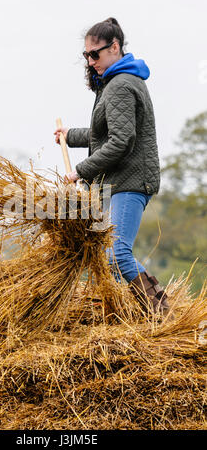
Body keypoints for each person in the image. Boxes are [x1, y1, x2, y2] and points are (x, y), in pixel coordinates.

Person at [54, 17, 168, 314]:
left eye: (95, 54)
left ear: (114, 47)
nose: (90, 62)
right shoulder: (115, 83)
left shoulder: (120, 85)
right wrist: (70, 136)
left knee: (117, 254)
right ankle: (130, 314)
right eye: (86, 56)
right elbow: (102, 135)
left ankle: (161, 311)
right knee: (106, 256)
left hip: (130, 182)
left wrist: (80, 171)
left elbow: (121, 142)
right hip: (120, 181)